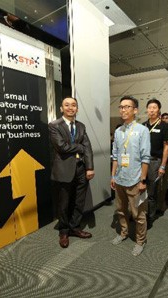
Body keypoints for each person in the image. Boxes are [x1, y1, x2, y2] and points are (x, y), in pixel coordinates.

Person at [49, 97, 95, 249]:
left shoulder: (81, 126)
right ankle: (63, 231)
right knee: (63, 203)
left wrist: (89, 167)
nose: (70, 108)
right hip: (64, 170)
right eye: (67, 105)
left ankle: (75, 227)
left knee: (79, 201)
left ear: (77, 109)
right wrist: (80, 147)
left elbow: (88, 147)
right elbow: (62, 147)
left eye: (74, 105)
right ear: (61, 108)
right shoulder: (54, 125)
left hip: (81, 169)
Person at [111, 96, 150, 256]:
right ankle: (123, 233)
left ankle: (141, 241)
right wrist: (112, 176)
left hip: (135, 180)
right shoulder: (118, 131)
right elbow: (115, 156)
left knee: (138, 214)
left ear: (135, 110)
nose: (123, 109)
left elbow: (145, 157)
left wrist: (143, 180)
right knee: (120, 210)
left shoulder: (142, 130)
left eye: (127, 107)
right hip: (119, 179)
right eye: (121, 107)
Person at [143, 99, 168, 228]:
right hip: (142, 161)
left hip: (155, 161)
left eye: (154, 107)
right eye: (149, 107)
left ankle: (150, 217)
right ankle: (141, 214)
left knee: (152, 191)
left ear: (158, 110)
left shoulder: (164, 126)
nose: (152, 110)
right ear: (147, 110)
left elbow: (166, 147)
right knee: (140, 188)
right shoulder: (143, 125)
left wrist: (163, 165)